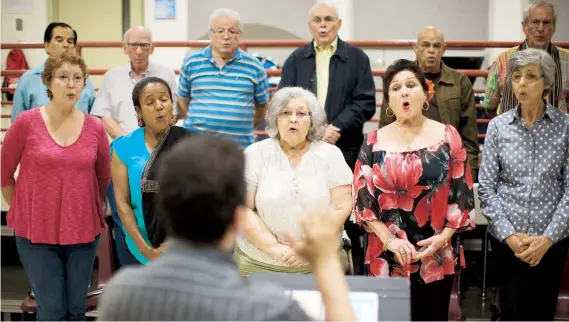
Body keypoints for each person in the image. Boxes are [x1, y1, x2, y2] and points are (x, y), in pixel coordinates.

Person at [97, 134, 356, 321]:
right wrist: (325, 263)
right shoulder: (268, 309)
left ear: (164, 207)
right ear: (238, 219)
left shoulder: (119, 295)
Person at [352, 59, 475, 321]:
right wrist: (390, 240)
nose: (404, 92)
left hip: (436, 253)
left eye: (411, 85)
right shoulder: (373, 142)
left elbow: (462, 195)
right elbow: (363, 201)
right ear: (389, 100)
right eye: (396, 88)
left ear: (425, 93)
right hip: (387, 254)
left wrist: (443, 238)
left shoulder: (447, 136)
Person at [1, 51, 110, 321]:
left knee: (76, 311)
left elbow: (102, 178)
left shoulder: (95, 128)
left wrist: (88, 208)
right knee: (52, 312)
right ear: (48, 82)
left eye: (77, 78)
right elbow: (3, 174)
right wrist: (22, 208)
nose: (71, 84)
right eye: (63, 77)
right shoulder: (26, 122)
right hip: (35, 233)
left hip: (82, 231)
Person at [278, 1, 376, 275]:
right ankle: (300, 266)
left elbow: (365, 102)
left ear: (339, 24)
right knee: (304, 207)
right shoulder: (296, 60)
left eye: (328, 19)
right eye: (317, 20)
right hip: (300, 150)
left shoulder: (357, 59)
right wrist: (314, 132)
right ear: (310, 26)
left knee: (348, 217)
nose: (323, 25)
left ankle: (352, 277)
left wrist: (336, 127)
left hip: (345, 149)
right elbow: (283, 102)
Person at [478, 48, 569, 321]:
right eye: (516, 77)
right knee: (512, 311)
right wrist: (509, 236)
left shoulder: (565, 127)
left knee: (542, 313)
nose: (521, 84)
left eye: (531, 76)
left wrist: (548, 238)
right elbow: (487, 188)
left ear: (547, 84)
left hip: (551, 241)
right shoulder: (498, 127)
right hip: (508, 242)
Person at [234, 87, 353, 277]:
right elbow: (243, 208)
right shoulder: (255, 153)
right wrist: (274, 248)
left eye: (301, 113)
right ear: (274, 118)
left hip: (320, 262)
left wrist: (309, 246)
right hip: (258, 265)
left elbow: (341, 205)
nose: (293, 119)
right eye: (286, 113)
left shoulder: (330, 155)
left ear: (312, 120)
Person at [90, 26, 178, 267]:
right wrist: (135, 141)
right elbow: (104, 115)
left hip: (159, 154)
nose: (139, 50)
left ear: (153, 47)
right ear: (124, 47)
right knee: (123, 215)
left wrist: (149, 141)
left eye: (144, 45)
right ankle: (130, 272)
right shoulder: (112, 77)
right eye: (133, 45)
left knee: (163, 213)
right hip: (124, 155)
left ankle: (164, 262)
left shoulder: (165, 74)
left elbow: (174, 111)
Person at [379, 26, 479, 181]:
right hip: (404, 165)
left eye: (436, 45)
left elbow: (469, 140)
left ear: (444, 49)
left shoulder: (460, 82)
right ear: (416, 48)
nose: (431, 50)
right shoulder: (398, 81)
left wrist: (469, 179)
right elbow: (385, 129)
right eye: (425, 45)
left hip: (447, 164)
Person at [111, 76, 192, 265]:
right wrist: (146, 250)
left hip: (185, 246)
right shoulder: (123, 147)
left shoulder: (191, 143)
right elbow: (122, 203)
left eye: (164, 99)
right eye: (150, 102)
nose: (159, 106)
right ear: (138, 111)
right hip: (138, 247)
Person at [177, 8, 270, 148]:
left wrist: (238, 124)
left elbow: (262, 107)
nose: (226, 37)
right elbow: (183, 100)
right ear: (211, 34)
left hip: (239, 148)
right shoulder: (191, 62)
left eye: (232, 31)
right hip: (196, 147)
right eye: (220, 31)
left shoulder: (255, 66)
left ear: (240, 35)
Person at [483, 1, 569, 114]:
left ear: (554, 28)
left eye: (547, 22)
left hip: (557, 130)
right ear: (524, 26)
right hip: (512, 130)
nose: (541, 28)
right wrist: (504, 128)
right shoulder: (502, 61)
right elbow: (489, 106)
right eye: (535, 22)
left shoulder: (567, 60)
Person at [11, 22, 96, 122]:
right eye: (59, 40)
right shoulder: (28, 80)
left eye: (70, 41)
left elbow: (92, 119)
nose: (65, 45)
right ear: (47, 45)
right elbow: (17, 123)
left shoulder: (84, 79)